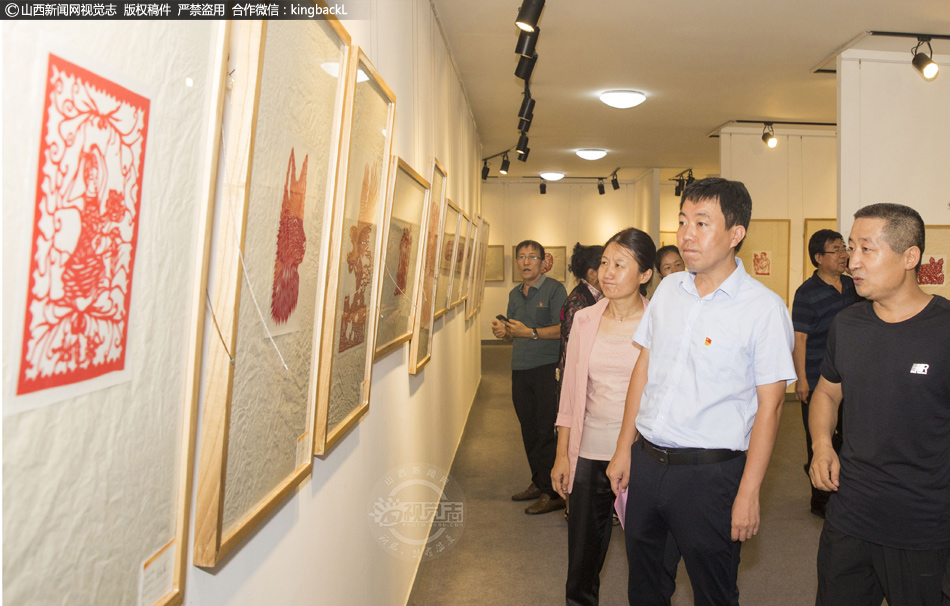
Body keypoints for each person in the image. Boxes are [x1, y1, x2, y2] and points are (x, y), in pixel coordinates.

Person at [606, 177, 796, 605]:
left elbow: (771, 408)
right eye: (682, 221)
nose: (686, 234)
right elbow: (644, 368)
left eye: (702, 223)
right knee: (645, 588)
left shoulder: (763, 309)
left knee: (713, 593)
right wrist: (623, 448)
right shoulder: (668, 291)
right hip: (648, 463)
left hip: (710, 477)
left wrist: (749, 491)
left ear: (736, 233)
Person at [809, 203, 950, 606]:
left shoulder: (944, 329)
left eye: (866, 249)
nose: (852, 260)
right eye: (851, 247)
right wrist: (822, 445)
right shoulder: (847, 324)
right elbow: (827, 392)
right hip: (849, 516)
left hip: (923, 528)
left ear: (910, 256)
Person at [552, 229, 654, 605]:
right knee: (581, 562)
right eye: (605, 263)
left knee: (648, 559)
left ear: (645, 274)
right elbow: (571, 392)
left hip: (642, 455)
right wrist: (562, 454)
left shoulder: (659, 322)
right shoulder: (584, 320)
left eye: (619, 265)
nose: (607, 272)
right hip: (589, 451)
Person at [492, 240, 568, 515]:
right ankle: (538, 482)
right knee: (528, 429)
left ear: (543, 262)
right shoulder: (514, 294)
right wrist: (504, 332)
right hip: (520, 368)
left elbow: (563, 328)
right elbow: (514, 331)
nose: (526, 262)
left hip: (546, 369)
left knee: (545, 430)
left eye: (532, 257)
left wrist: (531, 332)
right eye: (521, 257)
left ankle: (554, 492)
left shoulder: (555, 289)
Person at [791, 229, 861, 518]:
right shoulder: (806, 293)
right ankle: (820, 500)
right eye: (836, 250)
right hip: (818, 377)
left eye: (844, 248)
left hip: (852, 377)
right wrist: (801, 380)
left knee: (850, 436)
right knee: (819, 439)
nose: (844, 254)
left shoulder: (853, 285)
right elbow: (800, 339)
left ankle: (844, 491)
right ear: (819, 258)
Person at [557, 243, 605, 398]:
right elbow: (577, 350)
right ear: (592, 274)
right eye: (605, 265)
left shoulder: (595, 297)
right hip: (577, 379)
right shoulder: (577, 303)